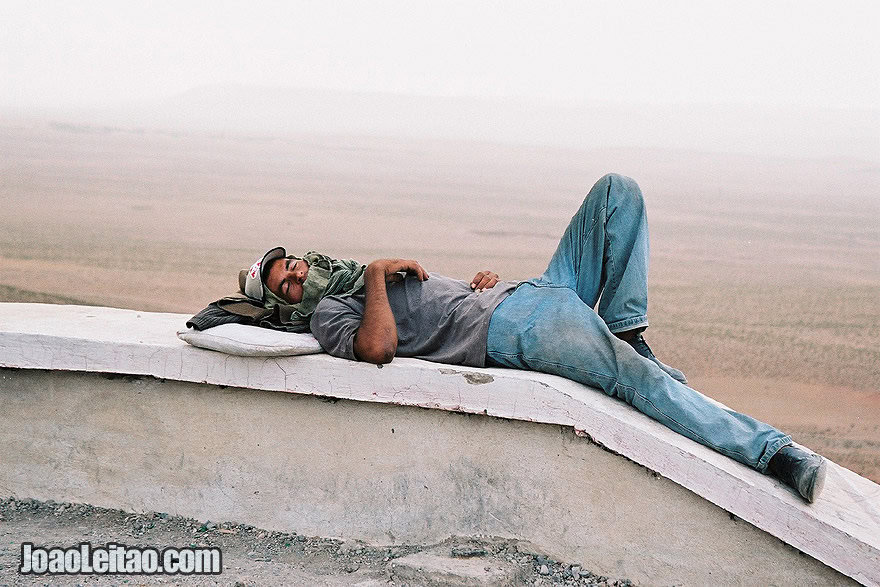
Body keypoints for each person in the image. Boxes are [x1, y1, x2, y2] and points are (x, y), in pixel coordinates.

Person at [241, 173, 827, 503]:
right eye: (286, 286)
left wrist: (474, 284)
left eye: (290, 263)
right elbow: (379, 350)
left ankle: (627, 330)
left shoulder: (352, 283)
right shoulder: (333, 313)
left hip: (527, 292)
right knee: (635, 380)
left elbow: (433, 309)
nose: (296, 275)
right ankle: (773, 453)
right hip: (517, 329)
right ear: (287, 306)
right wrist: (374, 273)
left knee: (615, 194)